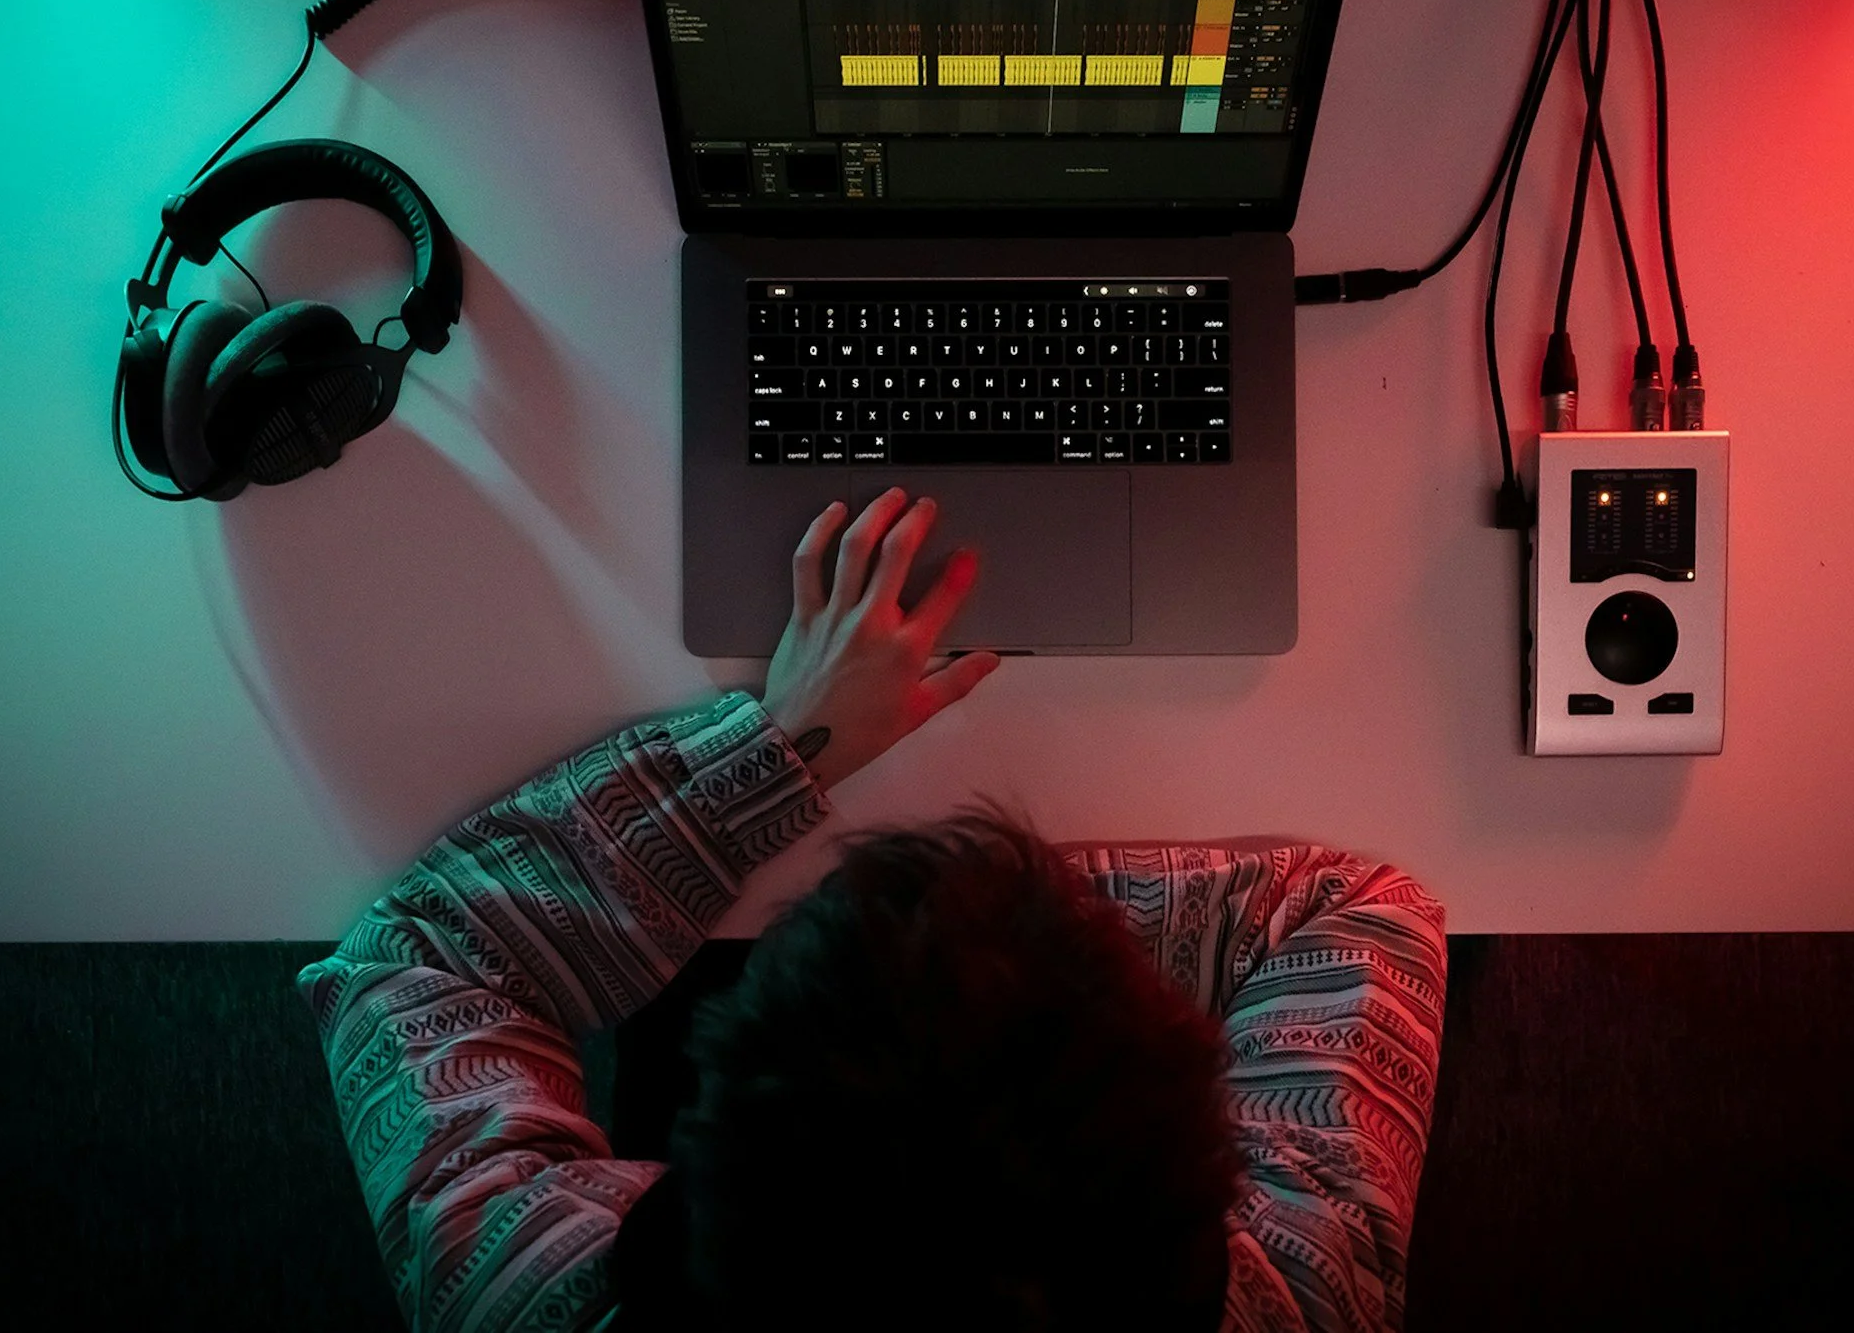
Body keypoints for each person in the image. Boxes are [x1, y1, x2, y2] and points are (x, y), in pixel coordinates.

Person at [300, 486, 1447, 1331]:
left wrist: (786, 747)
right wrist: (1009, 931)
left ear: (691, 1179)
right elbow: (1348, 908)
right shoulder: (1307, 1291)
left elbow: (424, 952)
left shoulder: (530, 1291)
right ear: (1210, 1212)